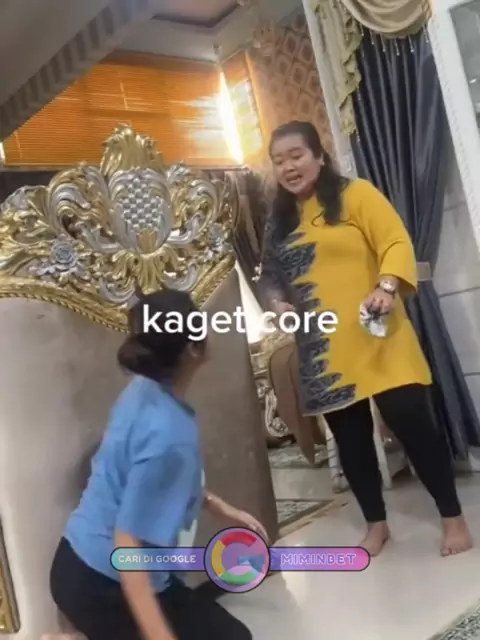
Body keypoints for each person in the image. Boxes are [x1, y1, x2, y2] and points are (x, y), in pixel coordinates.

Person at [259, 120, 473, 558]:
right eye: (279, 161)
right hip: (324, 348)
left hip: (378, 335)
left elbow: (395, 242)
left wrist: (387, 287)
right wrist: (277, 302)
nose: (288, 167)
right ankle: (376, 525)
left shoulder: (355, 195)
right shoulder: (278, 222)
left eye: (296, 155)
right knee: (352, 442)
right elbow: (270, 276)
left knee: (415, 428)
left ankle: (453, 519)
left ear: (319, 156)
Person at [50, 289, 265, 640]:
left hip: (76, 563)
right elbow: (128, 546)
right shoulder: (170, 437)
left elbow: (147, 478)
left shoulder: (144, 389)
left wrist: (219, 507)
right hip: (103, 585)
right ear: (193, 349)